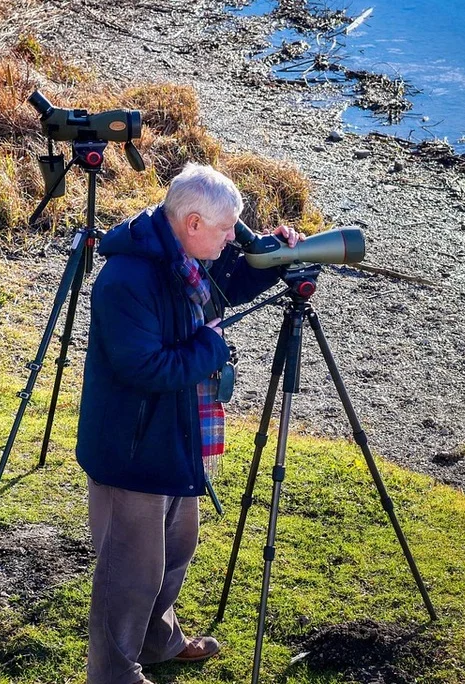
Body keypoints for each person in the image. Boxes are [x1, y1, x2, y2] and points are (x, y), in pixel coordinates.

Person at [76, 163, 302, 684]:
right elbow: (144, 367)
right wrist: (213, 346)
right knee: (130, 572)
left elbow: (225, 284)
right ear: (194, 222)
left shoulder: (183, 254)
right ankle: (112, 673)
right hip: (132, 446)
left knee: (177, 546)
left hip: (175, 433)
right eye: (227, 230)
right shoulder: (127, 278)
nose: (233, 239)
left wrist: (275, 259)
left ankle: (158, 640)